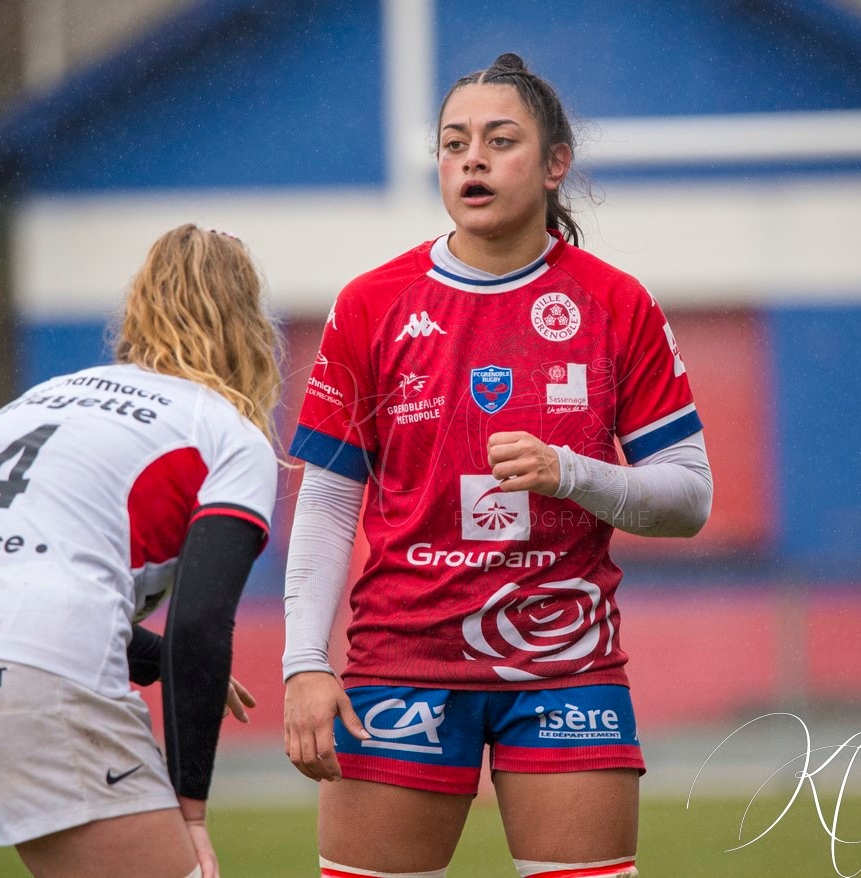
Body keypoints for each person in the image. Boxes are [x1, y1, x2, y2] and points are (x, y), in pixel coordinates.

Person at [282, 53, 713, 877]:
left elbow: (689, 499)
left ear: (556, 164)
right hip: (401, 662)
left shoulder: (613, 303)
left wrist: (570, 472)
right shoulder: (371, 303)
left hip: (566, 667)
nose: (470, 158)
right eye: (453, 143)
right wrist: (305, 663)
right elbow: (329, 503)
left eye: (498, 140)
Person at [0, 224, 281, 878]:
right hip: (37, 667)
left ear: (136, 308)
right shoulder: (226, 431)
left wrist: (156, 657)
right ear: (251, 328)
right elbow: (201, 622)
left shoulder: (35, 403)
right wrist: (189, 810)